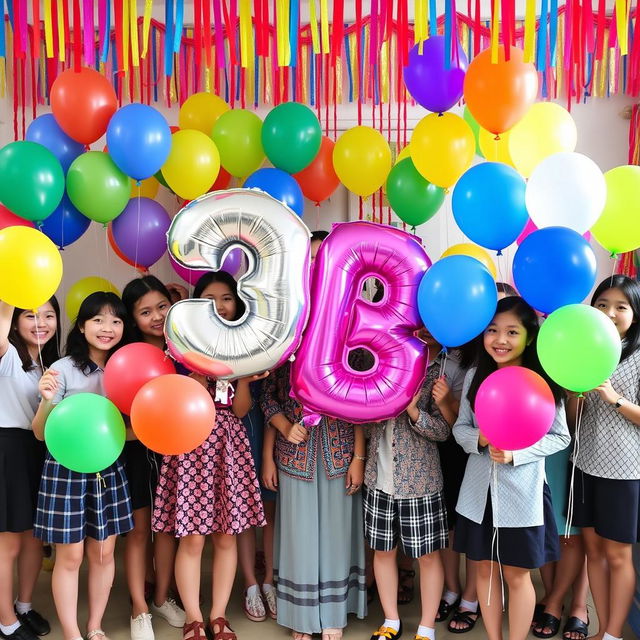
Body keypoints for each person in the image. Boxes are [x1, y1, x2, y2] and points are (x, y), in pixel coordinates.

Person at [152, 272, 267, 640]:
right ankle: (193, 617)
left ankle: (218, 616)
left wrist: (245, 378)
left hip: (228, 444)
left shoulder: (245, 346)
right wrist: (194, 380)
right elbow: (172, 400)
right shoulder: (181, 346)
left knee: (226, 536)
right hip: (189, 444)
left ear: (237, 303)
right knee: (193, 537)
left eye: (227, 298)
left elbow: (241, 410)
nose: (219, 305)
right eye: (210, 298)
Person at [453, 296, 571, 640]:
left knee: (517, 575)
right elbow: (460, 427)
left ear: (529, 336)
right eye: (492, 331)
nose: (500, 340)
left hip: (524, 494)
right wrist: (481, 439)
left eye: (511, 332)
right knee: (486, 571)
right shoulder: (476, 374)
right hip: (478, 494)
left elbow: (559, 436)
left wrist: (517, 453)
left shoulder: (542, 378)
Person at [32, 292, 134, 640]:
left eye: (116, 321)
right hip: (65, 471)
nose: (108, 328)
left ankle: (95, 627)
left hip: (108, 469)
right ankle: (73, 633)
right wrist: (46, 402)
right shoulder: (62, 369)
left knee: (104, 552)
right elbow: (39, 433)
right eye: (98, 320)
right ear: (82, 325)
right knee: (71, 556)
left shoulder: (126, 369)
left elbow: (131, 433)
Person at [260, 361, 367, 640]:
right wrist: (280, 430)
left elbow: (361, 405)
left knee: (336, 533)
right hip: (294, 455)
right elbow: (268, 397)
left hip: (340, 455)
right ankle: (301, 614)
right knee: (300, 534)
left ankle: (334, 612)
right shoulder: (286, 348)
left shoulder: (349, 348)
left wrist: (358, 457)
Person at [569, 275, 640, 640]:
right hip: (583, 464)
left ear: (634, 313)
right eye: (602, 305)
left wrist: (614, 397)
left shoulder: (638, 355)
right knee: (592, 552)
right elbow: (571, 419)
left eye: (621, 307)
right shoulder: (586, 348)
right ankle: (601, 631)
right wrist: (572, 395)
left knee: (618, 556)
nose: (610, 313)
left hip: (624, 471)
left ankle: (614, 633)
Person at [121, 276, 187, 639]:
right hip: (137, 450)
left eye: (162, 306)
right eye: (145, 312)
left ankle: (161, 597)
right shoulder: (128, 354)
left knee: (169, 529)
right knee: (139, 530)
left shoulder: (184, 348)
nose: (157, 316)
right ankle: (139, 608)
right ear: (133, 319)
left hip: (179, 450)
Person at [0, 298, 60, 640]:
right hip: (7, 449)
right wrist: (9, 294)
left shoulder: (48, 364)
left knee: (34, 539)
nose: (41, 322)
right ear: (14, 321)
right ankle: (6, 620)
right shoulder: (7, 353)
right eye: (31, 315)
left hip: (38, 450)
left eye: (49, 315)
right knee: (8, 545)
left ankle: (24, 606)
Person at [236, 379, 277, 623]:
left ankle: (270, 580)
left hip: (269, 430)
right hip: (237, 431)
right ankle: (250, 584)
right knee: (245, 515)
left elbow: (273, 400)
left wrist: (267, 455)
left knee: (270, 512)